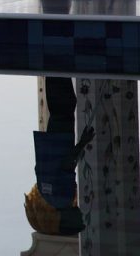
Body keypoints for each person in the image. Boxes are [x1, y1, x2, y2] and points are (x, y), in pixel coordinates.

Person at [24, 76, 94, 236]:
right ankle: (52, 71)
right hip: (52, 142)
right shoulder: (48, 196)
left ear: (66, 221)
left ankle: (56, 67)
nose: (81, 217)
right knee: (58, 108)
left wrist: (83, 142)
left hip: (61, 142)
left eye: (79, 221)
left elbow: (67, 165)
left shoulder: (64, 198)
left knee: (66, 105)